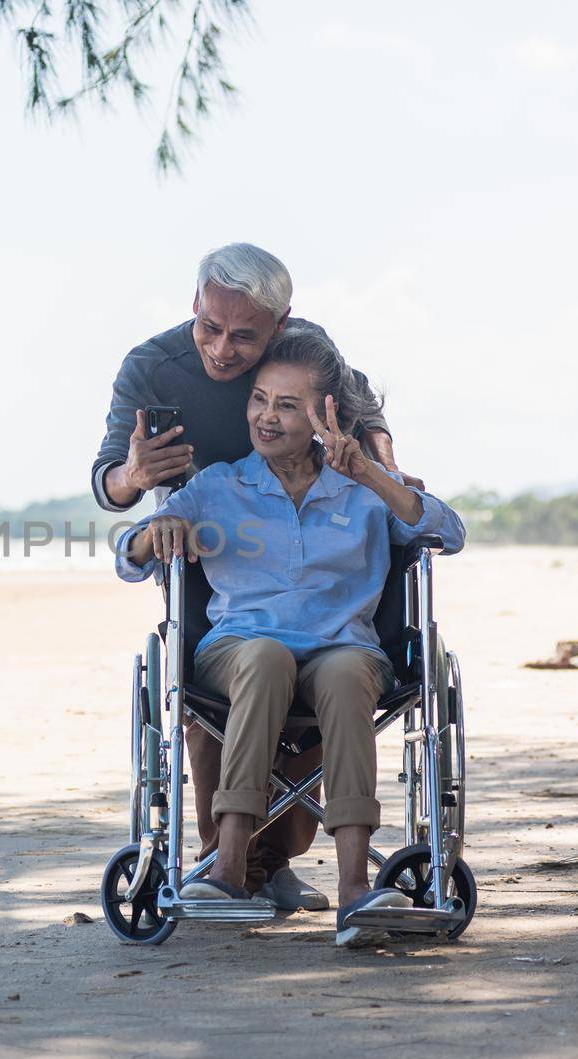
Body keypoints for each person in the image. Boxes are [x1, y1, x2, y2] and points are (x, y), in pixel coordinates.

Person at [92, 242, 420, 912]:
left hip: (323, 551)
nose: (220, 350)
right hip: (214, 549)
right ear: (193, 304)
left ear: (281, 324)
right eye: (209, 328)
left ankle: (277, 863)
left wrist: (381, 469)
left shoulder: (305, 351)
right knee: (239, 687)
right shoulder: (154, 369)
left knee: (323, 694)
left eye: (243, 336)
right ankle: (228, 864)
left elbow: (361, 406)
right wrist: (138, 480)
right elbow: (111, 490)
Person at [114, 328, 466, 946]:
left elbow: (449, 531)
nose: (265, 417)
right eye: (258, 400)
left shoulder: (362, 489)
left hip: (343, 649)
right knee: (267, 656)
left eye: (286, 405)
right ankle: (228, 868)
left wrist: (374, 474)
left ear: (328, 414)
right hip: (239, 651)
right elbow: (127, 555)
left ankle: (357, 888)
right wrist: (159, 525)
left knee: (348, 671)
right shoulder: (220, 485)